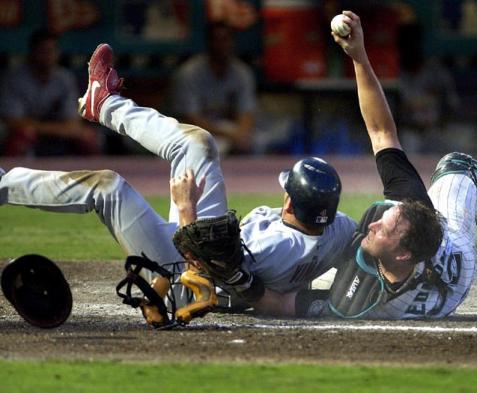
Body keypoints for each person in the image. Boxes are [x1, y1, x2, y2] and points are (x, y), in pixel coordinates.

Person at [251, 11, 477, 320]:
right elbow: (382, 133)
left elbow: (280, 303)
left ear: (402, 255)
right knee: (460, 169)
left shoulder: (356, 299)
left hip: (431, 283)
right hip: (456, 262)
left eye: (384, 229)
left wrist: (236, 283)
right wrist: (359, 58)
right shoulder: (424, 226)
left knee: (316, 268)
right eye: (384, 221)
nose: (372, 224)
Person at [0, 43, 356, 325]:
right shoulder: (338, 230)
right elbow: (360, 239)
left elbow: (206, 267)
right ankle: (104, 103)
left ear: (291, 203)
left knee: (106, 187)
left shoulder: (273, 245)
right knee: (196, 143)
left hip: (183, 280)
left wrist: (186, 207)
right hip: (209, 250)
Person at [0, 28, 99, 156]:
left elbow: (73, 123)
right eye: (43, 51)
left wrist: (45, 128)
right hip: (27, 135)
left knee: (88, 137)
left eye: (52, 50)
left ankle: (89, 175)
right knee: (23, 135)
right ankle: (10, 175)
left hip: (56, 135)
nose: (48, 56)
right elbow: (13, 122)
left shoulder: (65, 78)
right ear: (32, 52)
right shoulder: (15, 78)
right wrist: (56, 129)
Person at [165, 21, 256, 155]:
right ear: (208, 43)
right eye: (217, 40)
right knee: (205, 147)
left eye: (225, 40)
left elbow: (247, 113)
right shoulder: (189, 73)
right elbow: (190, 119)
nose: (221, 45)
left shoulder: (242, 72)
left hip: (228, 131)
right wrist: (229, 135)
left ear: (232, 43)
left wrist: (241, 134)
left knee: (258, 141)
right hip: (194, 132)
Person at [395, 22, 459, 153]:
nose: (411, 48)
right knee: (406, 152)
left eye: (414, 43)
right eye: (407, 44)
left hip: (436, 131)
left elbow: (452, 104)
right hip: (409, 133)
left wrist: (440, 125)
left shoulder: (436, 71)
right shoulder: (394, 75)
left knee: (458, 157)